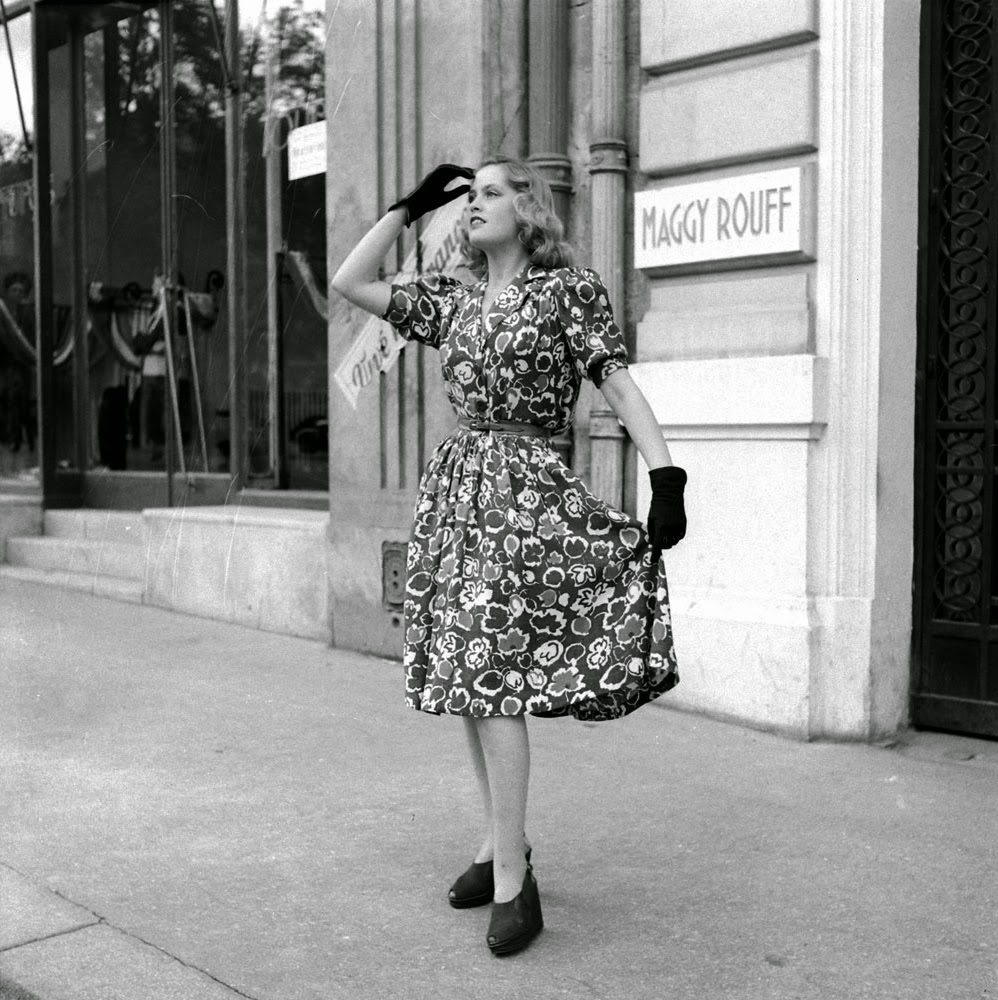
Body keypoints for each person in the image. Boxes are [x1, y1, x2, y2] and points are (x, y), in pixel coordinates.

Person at [331, 157, 688, 957]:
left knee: (491, 674)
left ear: (530, 208)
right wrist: (406, 207)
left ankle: (512, 883)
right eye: (471, 195)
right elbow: (351, 283)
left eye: (492, 192)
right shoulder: (451, 299)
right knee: (468, 676)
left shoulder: (569, 292)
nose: (474, 205)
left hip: (526, 495)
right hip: (457, 494)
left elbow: (618, 386)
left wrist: (666, 473)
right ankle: (503, 845)